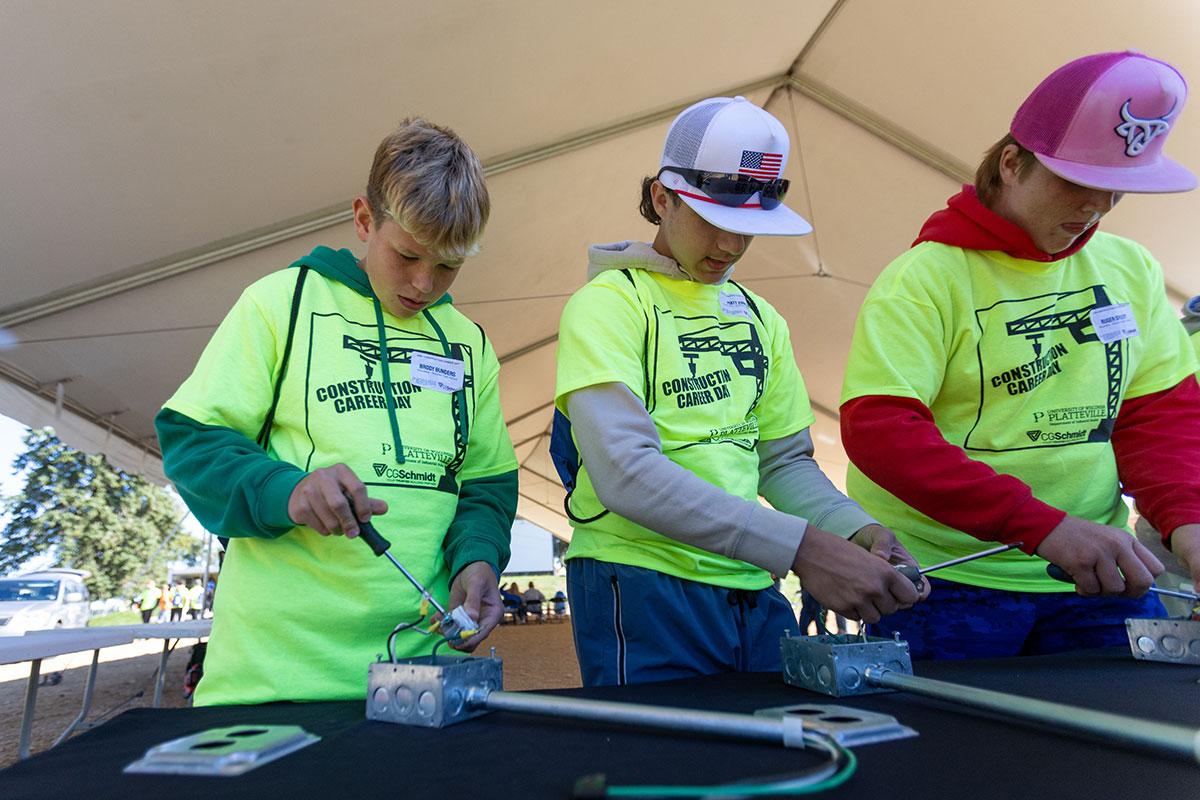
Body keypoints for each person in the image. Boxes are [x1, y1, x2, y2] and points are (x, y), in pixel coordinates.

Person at [840, 52, 1200, 660]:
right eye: (1076, 182)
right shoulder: (926, 277)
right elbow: (881, 431)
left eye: (1115, 188)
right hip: (944, 583)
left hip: (1100, 576)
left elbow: (1157, 418)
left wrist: (1187, 524)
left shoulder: (1130, 268)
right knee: (957, 755)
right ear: (1012, 163)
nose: (1096, 207)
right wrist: (1042, 527)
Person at [555, 96, 926, 686]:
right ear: (661, 198)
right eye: (715, 221)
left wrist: (856, 529)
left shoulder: (760, 316)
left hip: (752, 582)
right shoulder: (608, 304)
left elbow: (781, 461)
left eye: (749, 229)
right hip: (641, 580)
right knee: (670, 767)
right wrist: (802, 548)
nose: (731, 246)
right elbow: (623, 472)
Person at [156, 118, 518, 705]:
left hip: (423, 682)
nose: (424, 283)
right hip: (273, 684)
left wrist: (477, 559)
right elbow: (192, 441)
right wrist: (288, 491)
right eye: (408, 255)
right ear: (363, 219)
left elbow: (487, 482)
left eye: (449, 265)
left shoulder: (468, 342)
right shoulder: (282, 303)